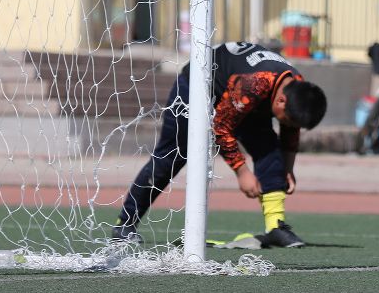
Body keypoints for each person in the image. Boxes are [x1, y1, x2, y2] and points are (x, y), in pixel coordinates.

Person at [112, 42, 328, 248]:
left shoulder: (296, 85)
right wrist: (242, 172)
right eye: (288, 120)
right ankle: (125, 224)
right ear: (281, 101)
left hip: (241, 100)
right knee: (172, 156)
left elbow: (290, 130)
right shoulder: (255, 83)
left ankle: (275, 227)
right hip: (196, 88)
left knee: (269, 148)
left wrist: (288, 168)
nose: (289, 126)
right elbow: (221, 128)